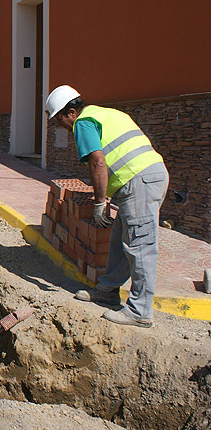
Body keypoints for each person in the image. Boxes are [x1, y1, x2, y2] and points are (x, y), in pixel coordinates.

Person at [45, 85, 169, 328]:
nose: (59, 126)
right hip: (141, 180)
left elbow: (98, 162)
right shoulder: (107, 113)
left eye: (58, 119)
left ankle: (140, 311)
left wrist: (100, 202)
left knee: (139, 245)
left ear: (71, 112)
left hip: (139, 181)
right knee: (120, 240)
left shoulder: (83, 122)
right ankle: (108, 290)